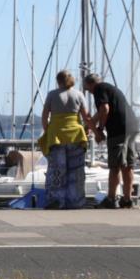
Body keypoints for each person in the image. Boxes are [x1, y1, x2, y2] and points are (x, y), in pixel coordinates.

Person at [82, 72, 140, 209]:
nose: (88, 92)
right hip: (132, 126)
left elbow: (104, 109)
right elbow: (101, 112)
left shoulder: (99, 89)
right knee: (127, 166)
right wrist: (89, 126)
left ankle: (111, 199)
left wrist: (100, 129)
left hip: (118, 130)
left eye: (87, 88)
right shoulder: (110, 88)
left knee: (115, 166)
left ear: (91, 84)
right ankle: (127, 200)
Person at [38, 70, 92, 209]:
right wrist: (89, 130)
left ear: (58, 81)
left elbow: (44, 117)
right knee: (76, 171)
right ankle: (76, 201)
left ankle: (56, 201)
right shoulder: (79, 94)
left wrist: (47, 130)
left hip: (56, 135)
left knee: (57, 170)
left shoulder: (52, 95)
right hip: (76, 134)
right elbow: (86, 117)